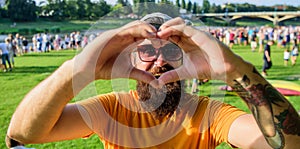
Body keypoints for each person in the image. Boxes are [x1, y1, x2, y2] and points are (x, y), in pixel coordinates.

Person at [6, 13, 300, 149]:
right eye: (146, 51)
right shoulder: (111, 110)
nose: (159, 62)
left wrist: (233, 68)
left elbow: (291, 146)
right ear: (131, 59)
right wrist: (79, 70)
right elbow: (24, 133)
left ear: (186, 58)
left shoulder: (209, 114)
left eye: (172, 51)